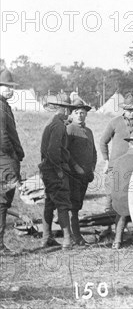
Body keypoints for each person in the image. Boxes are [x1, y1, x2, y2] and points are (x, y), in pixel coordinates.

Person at [39, 92, 80, 250]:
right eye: (68, 109)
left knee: (50, 203)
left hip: (47, 168)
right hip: (54, 169)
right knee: (63, 204)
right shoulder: (58, 125)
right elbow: (53, 151)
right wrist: (59, 170)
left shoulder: (52, 122)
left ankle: (46, 238)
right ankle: (67, 241)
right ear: (62, 109)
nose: (69, 112)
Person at [99, 93, 133, 214]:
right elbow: (103, 142)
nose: (132, 113)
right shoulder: (114, 122)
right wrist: (106, 161)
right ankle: (108, 225)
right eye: (129, 110)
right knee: (112, 194)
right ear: (124, 109)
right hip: (115, 166)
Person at [0, 70, 25, 255]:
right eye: (7, 87)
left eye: (12, 87)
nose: (10, 90)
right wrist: (13, 155)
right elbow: (3, 138)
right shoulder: (0, 107)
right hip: (5, 160)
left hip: (8, 159)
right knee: (3, 201)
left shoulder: (5, 106)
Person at [66, 97, 96, 246]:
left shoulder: (88, 131)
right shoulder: (70, 129)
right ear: (72, 114)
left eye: (82, 112)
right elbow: (65, 152)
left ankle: (74, 235)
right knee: (73, 206)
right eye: (77, 112)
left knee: (78, 204)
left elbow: (94, 151)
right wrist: (76, 167)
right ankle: (75, 237)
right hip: (72, 174)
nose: (80, 115)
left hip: (85, 174)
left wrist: (92, 168)